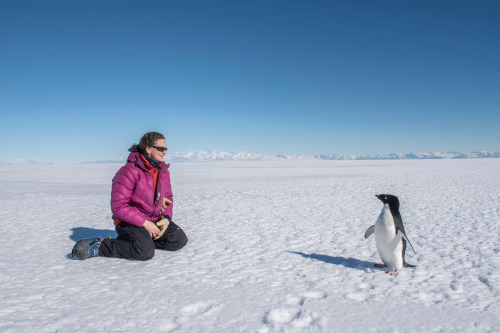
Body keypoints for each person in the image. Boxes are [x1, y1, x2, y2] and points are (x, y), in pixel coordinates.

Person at [72, 131, 188, 260]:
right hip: (128, 221)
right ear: (148, 149)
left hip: (153, 218)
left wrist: (166, 218)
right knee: (145, 252)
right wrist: (145, 223)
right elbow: (118, 206)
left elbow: (168, 199)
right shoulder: (128, 171)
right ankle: (100, 246)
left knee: (178, 239)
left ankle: (140, 242)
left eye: (166, 149)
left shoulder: (163, 172)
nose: (164, 152)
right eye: (161, 148)